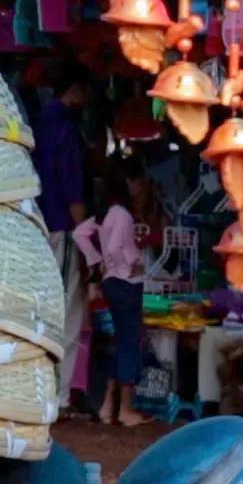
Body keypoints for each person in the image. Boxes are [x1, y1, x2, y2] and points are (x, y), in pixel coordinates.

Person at [31, 63, 92, 411]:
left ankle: (40, 389)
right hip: (61, 226)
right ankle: (58, 394)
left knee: (41, 307)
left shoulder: (39, 120)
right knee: (66, 309)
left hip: (38, 224)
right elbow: (73, 189)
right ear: (77, 89)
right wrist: (87, 240)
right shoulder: (66, 128)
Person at [74, 165, 148, 427]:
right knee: (129, 344)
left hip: (111, 284)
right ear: (127, 183)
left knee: (121, 342)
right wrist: (127, 264)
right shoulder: (123, 214)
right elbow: (116, 246)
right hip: (126, 283)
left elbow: (79, 234)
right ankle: (125, 410)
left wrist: (97, 261)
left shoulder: (104, 215)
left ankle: (107, 405)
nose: (139, 187)